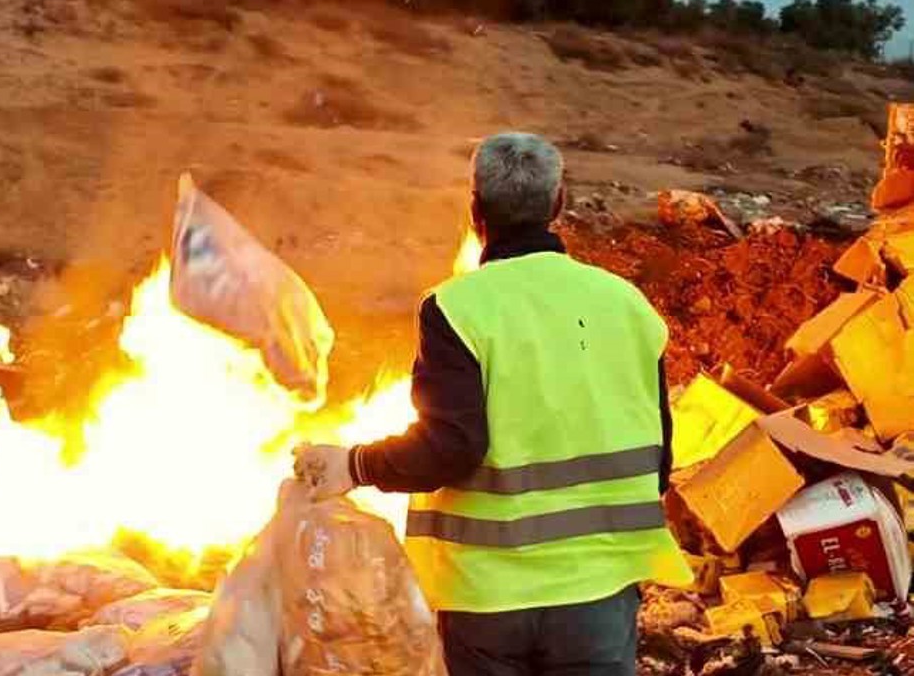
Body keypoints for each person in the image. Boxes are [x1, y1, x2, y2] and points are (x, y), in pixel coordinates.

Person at [293, 133, 690, 676]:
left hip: (489, 597)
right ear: (558, 204)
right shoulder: (626, 304)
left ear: (475, 207)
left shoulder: (455, 308)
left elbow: (451, 449)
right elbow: (660, 455)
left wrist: (355, 464)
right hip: (599, 590)